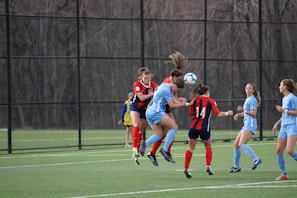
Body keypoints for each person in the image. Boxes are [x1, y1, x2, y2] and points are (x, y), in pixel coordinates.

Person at [183, 83, 233, 178]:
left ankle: (186, 168)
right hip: (204, 128)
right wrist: (227, 113)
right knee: (208, 146)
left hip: (193, 127)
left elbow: (191, 114)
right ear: (207, 93)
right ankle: (208, 166)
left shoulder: (195, 100)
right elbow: (217, 114)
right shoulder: (210, 101)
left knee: (190, 148)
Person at [147, 52, 188, 166]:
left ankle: (155, 152)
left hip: (164, 108)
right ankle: (163, 152)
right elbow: (170, 101)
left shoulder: (174, 83)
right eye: (180, 78)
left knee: (167, 133)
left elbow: (173, 98)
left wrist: (179, 100)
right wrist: (181, 103)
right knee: (171, 129)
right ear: (175, 78)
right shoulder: (167, 83)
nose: (181, 80)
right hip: (161, 109)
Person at [139, 79, 189, 163]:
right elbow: (172, 105)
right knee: (174, 127)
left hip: (149, 111)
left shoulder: (164, 85)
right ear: (175, 86)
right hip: (156, 112)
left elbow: (174, 100)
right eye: (178, 90)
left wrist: (183, 101)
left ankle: (145, 144)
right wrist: (182, 104)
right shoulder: (166, 90)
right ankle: (165, 150)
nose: (176, 92)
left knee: (159, 135)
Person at [229, 83, 263, 173]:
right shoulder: (248, 99)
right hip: (246, 125)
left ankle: (256, 159)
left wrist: (243, 110)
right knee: (236, 145)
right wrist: (239, 114)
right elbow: (246, 113)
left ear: (253, 90)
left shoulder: (253, 100)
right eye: (246, 88)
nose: (248, 89)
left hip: (250, 125)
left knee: (242, 144)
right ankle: (236, 167)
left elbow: (253, 113)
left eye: (250, 88)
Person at [130, 68, 158, 165]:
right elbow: (141, 97)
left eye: (148, 78)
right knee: (136, 124)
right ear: (141, 77)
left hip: (146, 109)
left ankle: (139, 147)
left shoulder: (154, 86)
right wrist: (152, 94)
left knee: (140, 130)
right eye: (145, 78)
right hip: (135, 106)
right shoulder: (137, 84)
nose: (146, 80)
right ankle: (134, 149)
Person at [272, 79, 297, 181]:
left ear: (286, 87)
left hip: (292, 126)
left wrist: (284, 110)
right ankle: (284, 174)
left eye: (280, 85)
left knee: (290, 150)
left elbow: (295, 112)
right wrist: (277, 123)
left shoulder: (292, 98)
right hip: (284, 127)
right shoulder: (284, 98)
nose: (279, 87)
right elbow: (285, 114)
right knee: (278, 151)